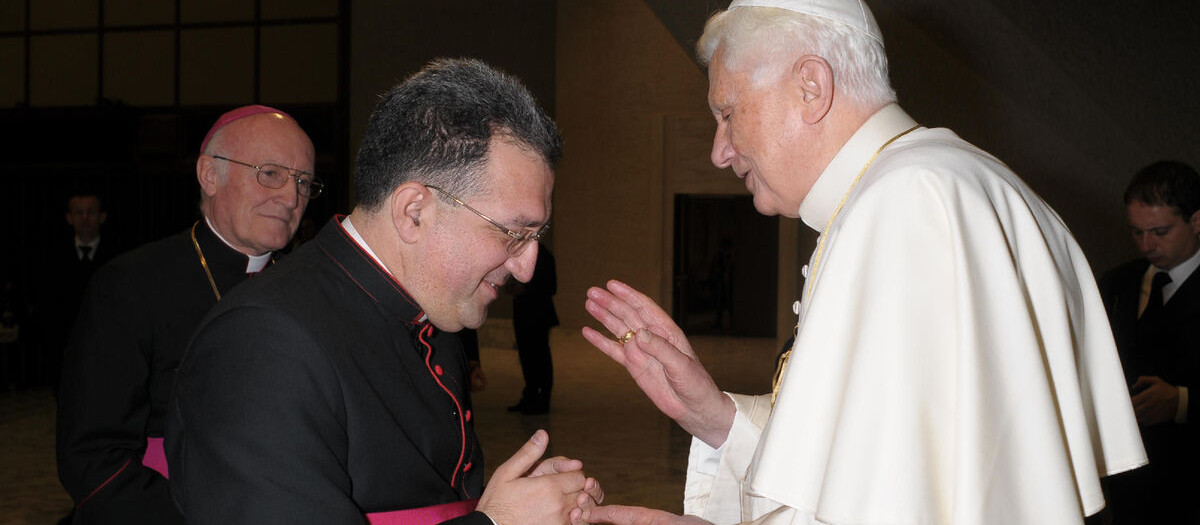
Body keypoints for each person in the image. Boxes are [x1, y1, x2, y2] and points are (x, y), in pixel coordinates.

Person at [579, 1, 1147, 524]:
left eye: (728, 114)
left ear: (810, 86)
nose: (719, 149)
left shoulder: (907, 204)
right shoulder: (943, 179)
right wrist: (716, 417)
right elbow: (888, 466)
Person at [167, 58, 601, 524]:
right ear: (414, 211)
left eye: (537, 237)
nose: (528, 267)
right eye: (513, 233)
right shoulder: (261, 344)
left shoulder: (432, 310)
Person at [56, 104, 318, 524]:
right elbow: (92, 456)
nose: (291, 198)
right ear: (210, 175)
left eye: (303, 181)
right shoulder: (130, 285)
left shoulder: (311, 291)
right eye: (270, 173)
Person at [1098, 161, 1200, 523]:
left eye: (1159, 231)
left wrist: (1182, 402)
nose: (1146, 245)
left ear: (1197, 221)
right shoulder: (1116, 283)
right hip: (1128, 486)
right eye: (1136, 233)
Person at [508, 242, 559, 414]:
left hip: (538, 314)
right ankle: (530, 395)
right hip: (523, 313)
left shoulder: (544, 256)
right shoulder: (521, 254)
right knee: (526, 356)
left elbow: (551, 287)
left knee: (540, 357)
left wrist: (526, 289)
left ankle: (543, 398)